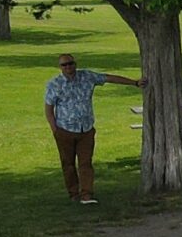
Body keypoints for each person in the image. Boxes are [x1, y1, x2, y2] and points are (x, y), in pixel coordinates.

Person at [42, 53, 139, 205]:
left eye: (71, 63)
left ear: (76, 63)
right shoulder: (54, 84)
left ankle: (87, 194)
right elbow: (49, 109)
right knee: (68, 164)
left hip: (86, 130)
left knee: (85, 163)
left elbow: (109, 78)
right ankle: (73, 193)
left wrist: (135, 83)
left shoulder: (87, 76)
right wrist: (55, 130)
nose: (68, 67)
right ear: (60, 67)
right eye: (64, 65)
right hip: (65, 130)